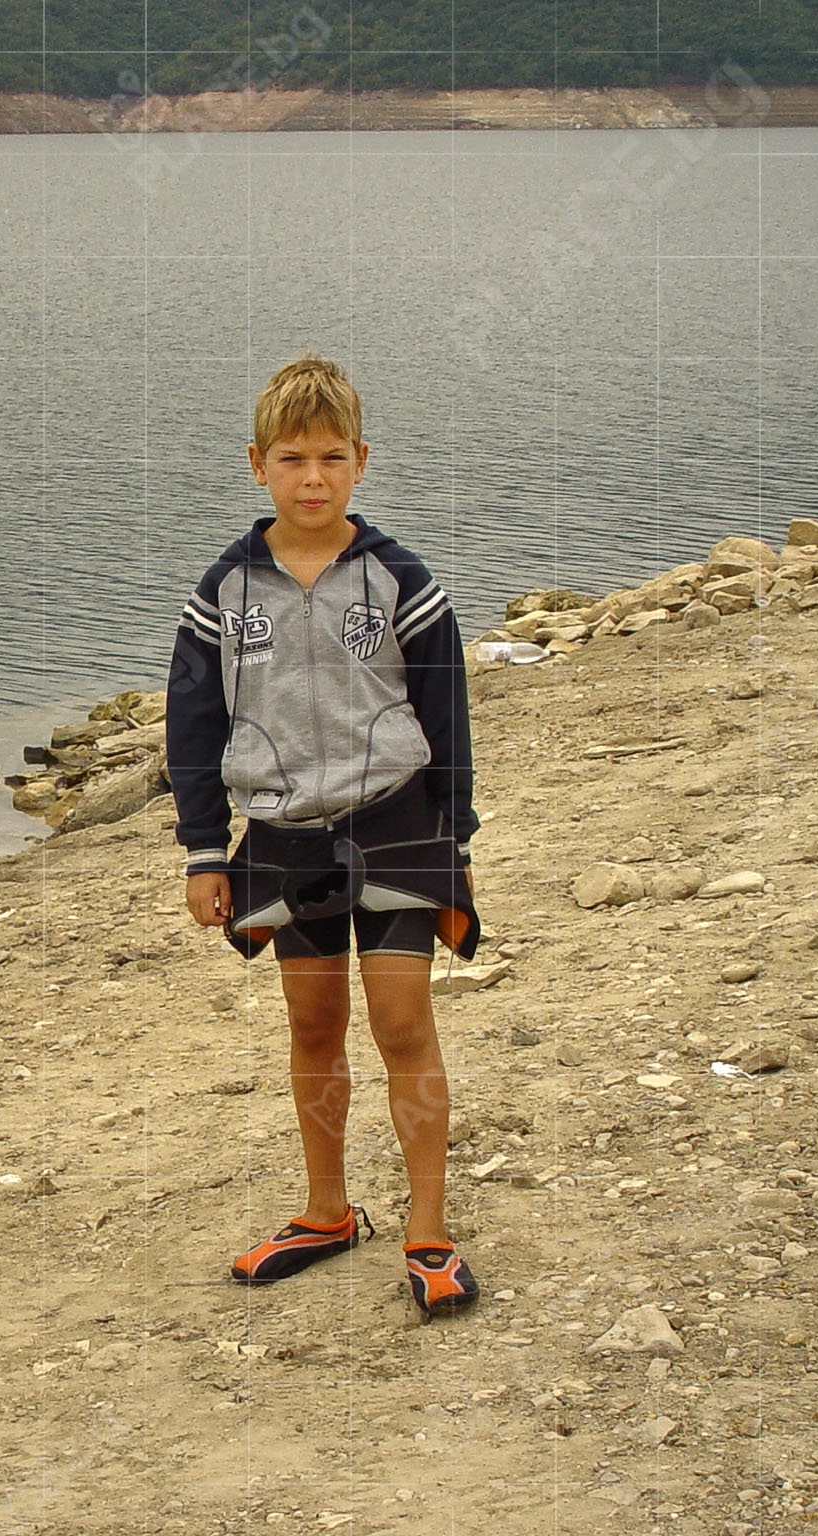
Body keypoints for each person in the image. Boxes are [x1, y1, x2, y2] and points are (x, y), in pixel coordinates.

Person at [165, 354, 482, 1312]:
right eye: (293, 459)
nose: (313, 478)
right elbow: (193, 727)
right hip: (282, 834)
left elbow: (448, 714)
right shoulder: (223, 590)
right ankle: (327, 1211)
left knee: (402, 1024)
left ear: (361, 462)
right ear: (257, 464)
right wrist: (204, 850)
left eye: (332, 458)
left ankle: (429, 1230)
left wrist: (456, 845)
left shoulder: (400, 578)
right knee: (313, 1025)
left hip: (396, 824)